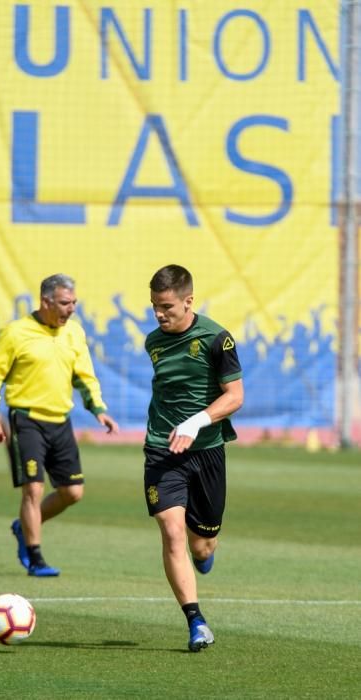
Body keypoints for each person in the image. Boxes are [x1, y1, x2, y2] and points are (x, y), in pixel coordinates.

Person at [0, 273, 119, 577]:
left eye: (74, 303)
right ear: (45, 301)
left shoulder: (75, 333)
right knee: (33, 489)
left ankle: (24, 527)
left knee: (73, 493)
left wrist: (98, 408)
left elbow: (84, 375)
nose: (71, 309)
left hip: (60, 421)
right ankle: (36, 556)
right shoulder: (15, 333)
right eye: (65, 303)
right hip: (26, 419)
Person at [144, 265, 244, 652]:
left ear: (188, 301)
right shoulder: (152, 342)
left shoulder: (217, 339)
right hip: (161, 450)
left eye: (166, 306)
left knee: (201, 546)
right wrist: (171, 429)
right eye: (154, 305)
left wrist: (195, 423)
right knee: (171, 532)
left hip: (206, 453)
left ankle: (203, 552)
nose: (158, 313)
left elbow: (234, 397)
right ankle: (196, 621)